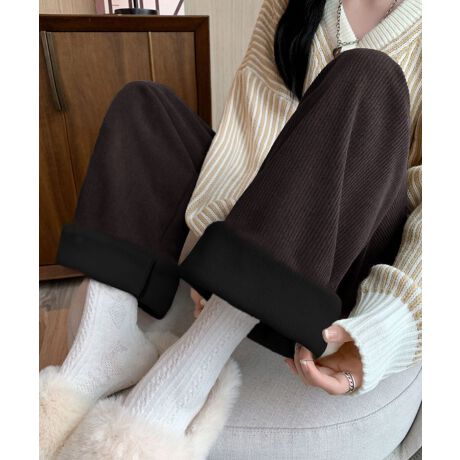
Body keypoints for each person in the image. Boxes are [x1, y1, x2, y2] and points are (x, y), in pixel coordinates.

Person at [39, 0, 422, 458]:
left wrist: (388, 325)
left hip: (350, 243)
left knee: (367, 74)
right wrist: (216, 246)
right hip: (266, 214)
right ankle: (98, 351)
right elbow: (245, 136)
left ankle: (180, 385)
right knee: (145, 106)